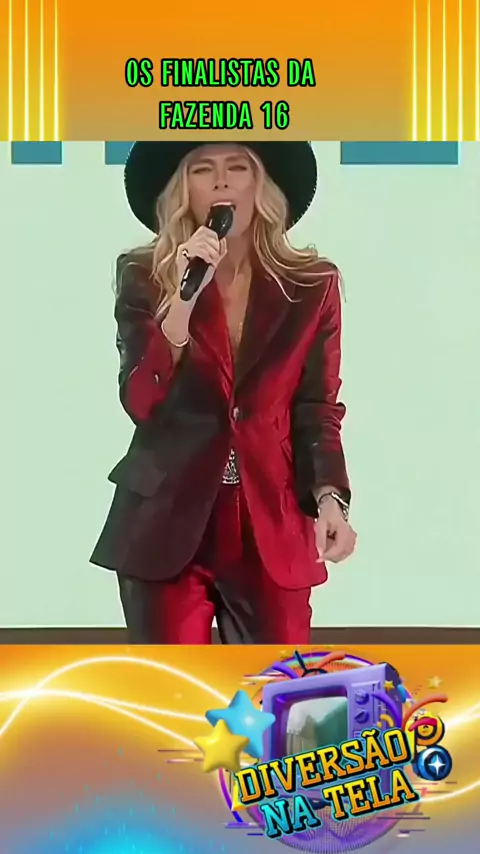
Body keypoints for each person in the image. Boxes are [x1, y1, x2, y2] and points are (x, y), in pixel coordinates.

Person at [90, 140, 357, 645]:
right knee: (173, 687)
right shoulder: (145, 276)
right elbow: (141, 402)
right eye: (202, 170)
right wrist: (182, 300)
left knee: (274, 685)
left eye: (238, 167)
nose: (221, 181)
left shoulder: (311, 286)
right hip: (167, 520)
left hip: (270, 521)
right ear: (181, 190)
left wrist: (329, 498)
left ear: (261, 186)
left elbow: (317, 407)